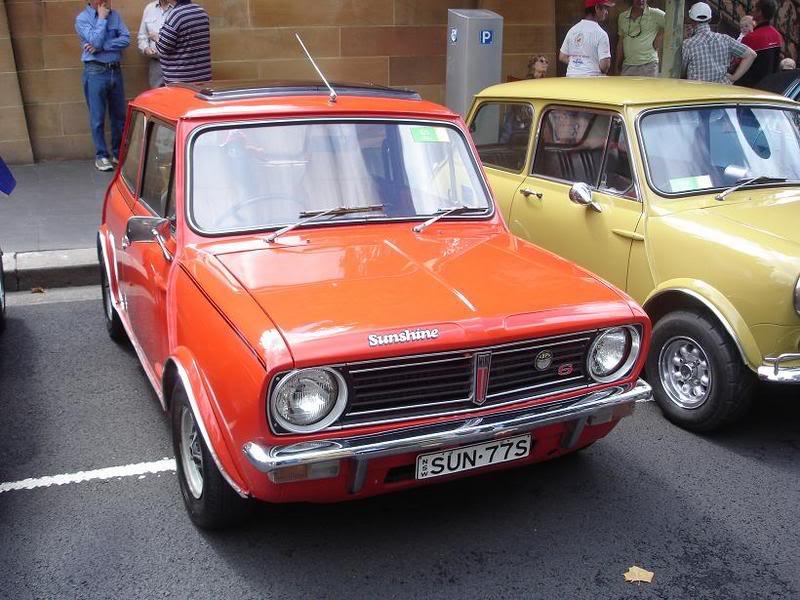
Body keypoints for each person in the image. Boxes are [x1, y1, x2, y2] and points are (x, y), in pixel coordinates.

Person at [75, 0, 130, 172]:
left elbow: (126, 39)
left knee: (119, 116)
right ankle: (101, 156)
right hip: (95, 72)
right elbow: (94, 42)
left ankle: (117, 153)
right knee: (97, 118)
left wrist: (105, 46)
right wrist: (102, 18)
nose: (107, 1)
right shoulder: (82, 19)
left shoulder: (116, 16)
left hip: (115, 70)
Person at [682, 2, 756, 84]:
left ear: (692, 21)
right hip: (722, 90)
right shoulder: (725, 39)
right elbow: (751, 54)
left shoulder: (688, 44)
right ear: (710, 19)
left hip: (699, 92)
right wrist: (734, 77)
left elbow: (680, 70)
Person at [155, 0, 210, 84]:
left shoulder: (176, 15)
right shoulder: (201, 11)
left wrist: (155, 37)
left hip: (180, 79)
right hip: (203, 76)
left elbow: (164, 47)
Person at [559, 0, 614, 77]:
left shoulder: (572, 30)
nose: (607, 12)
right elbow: (604, 66)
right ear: (597, 8)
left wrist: (578, 64)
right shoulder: (601, 34)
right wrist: (588, 66)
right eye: (605, 8)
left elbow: (562, 56)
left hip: (571, 78)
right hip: (592, 80)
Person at [737, 0, 784, 87]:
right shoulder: (777, 36)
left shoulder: (750, 37)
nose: (752, 10)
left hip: (747, 87)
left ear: (760, 13)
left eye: (755, 8)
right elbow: (775, 65)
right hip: (768, 86)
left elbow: (738, 63)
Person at [616, 0, 665, 77]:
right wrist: (617, 65)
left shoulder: (655, 14)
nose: (641, 0)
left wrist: (660, 36)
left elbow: (673, 25)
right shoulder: (622, 17)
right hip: (628, 65)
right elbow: (620, 42)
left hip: (649, 65)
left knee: (649, 89)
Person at [137, 0, 173, 88]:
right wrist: (146, 48)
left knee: (176, 96)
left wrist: (158, 39)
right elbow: (142, 36)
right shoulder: (149, 8)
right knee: (156, 97)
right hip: (156, 63)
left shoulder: (177, 8)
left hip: (175, 63)